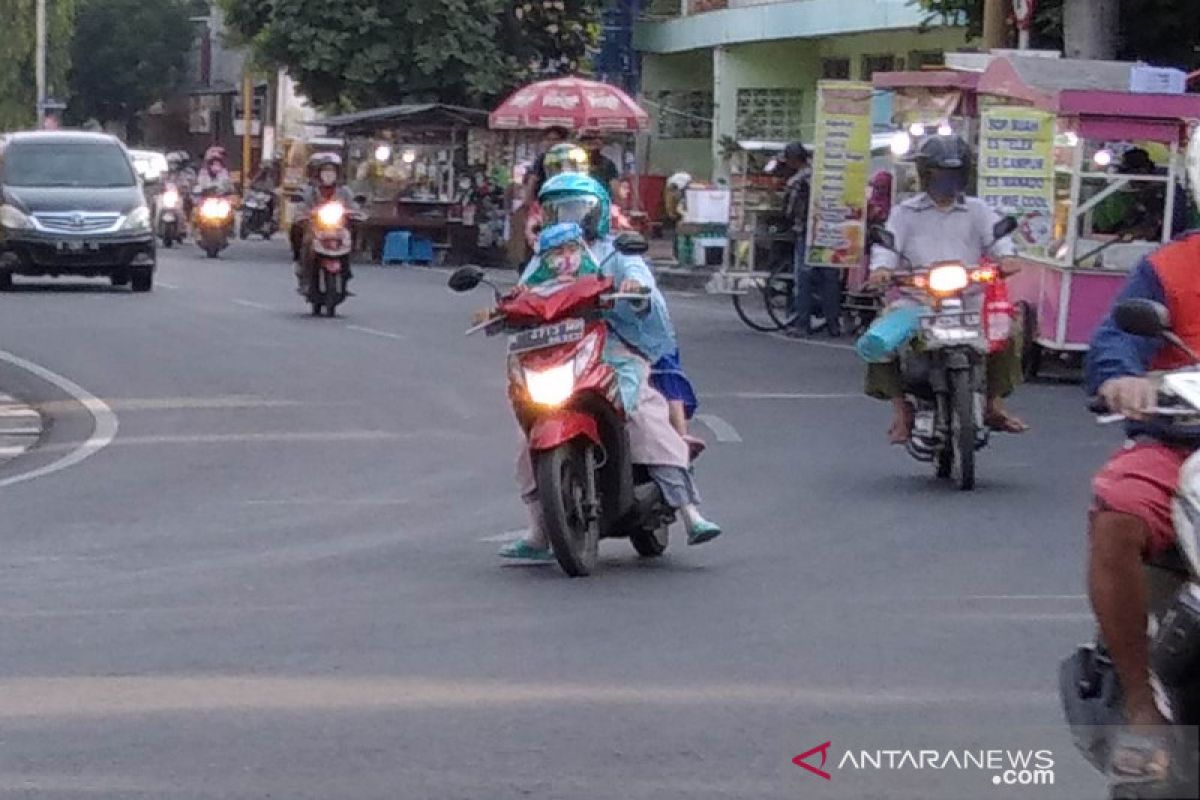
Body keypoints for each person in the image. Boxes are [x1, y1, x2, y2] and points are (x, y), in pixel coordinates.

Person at [499, 173, 722, 561]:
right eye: (559, 209)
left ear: (598, 212)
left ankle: (690, 512)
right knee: (527, 434)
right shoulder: (545, 256)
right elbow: (525, 294)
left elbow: (639, 279)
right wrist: (501, 308)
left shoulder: (617, 251)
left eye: (579, 208)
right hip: (560, 351)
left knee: (643, 413)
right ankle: (538, 529)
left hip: (615, 346)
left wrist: (635, 290)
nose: (570, 217)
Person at [1084, 226, 1200, 788]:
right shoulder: (1170, 266)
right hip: (1179, 442)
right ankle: (1141, 705)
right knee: (1117, 515)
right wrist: (1123, 379)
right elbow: (1115, 342)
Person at [867, 135, 1028, 444]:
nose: (945, 180)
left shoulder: (979, 210)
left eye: (952, 174)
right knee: (879, 338)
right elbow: (887, 246)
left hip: (969, 301)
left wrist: (1007, 258)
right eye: (939, 173)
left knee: (1010, 330)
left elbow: (998, 240)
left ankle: (994, 404)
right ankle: (901, 411)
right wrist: (882, 270)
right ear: (925, 173)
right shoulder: (904, 213)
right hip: (918, 303)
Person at [781, 142, 842, 338]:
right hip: (829, 232)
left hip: (807, 233)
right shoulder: (828, 177)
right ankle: (834, 324)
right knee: (830, 279)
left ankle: (802, 324)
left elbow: (789, 210)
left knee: (804, 279)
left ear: (792, 159)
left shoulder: (797, 180)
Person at [292, 153, 359, 294]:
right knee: (299, 233)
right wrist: (304, 215)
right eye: (325, 171)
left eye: (331, 171)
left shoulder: (344, 191)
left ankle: (346, 271)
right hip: (316, 228)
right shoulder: (309, 191)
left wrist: (354, 213)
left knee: (351, 234)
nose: (328, 175)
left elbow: (354, 206)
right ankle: (302, 266)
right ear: (318, 173)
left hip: (338, 228)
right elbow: (301, 206)